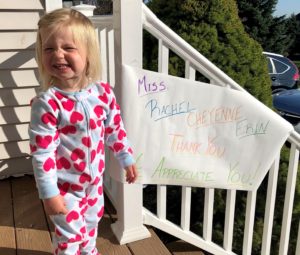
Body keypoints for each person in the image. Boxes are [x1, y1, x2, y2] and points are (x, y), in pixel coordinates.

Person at [28, 8, 138, 255]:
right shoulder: (48, 104)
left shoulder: (102, 94)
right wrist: (49, 193)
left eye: (68, 48)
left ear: (88, 54)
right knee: (69, 236)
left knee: (90, 226)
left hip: (94, 184)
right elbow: (42, 154)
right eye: (49, 49)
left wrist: (126, 157)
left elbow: (114, 130)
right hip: (65, 188)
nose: (58, 55)